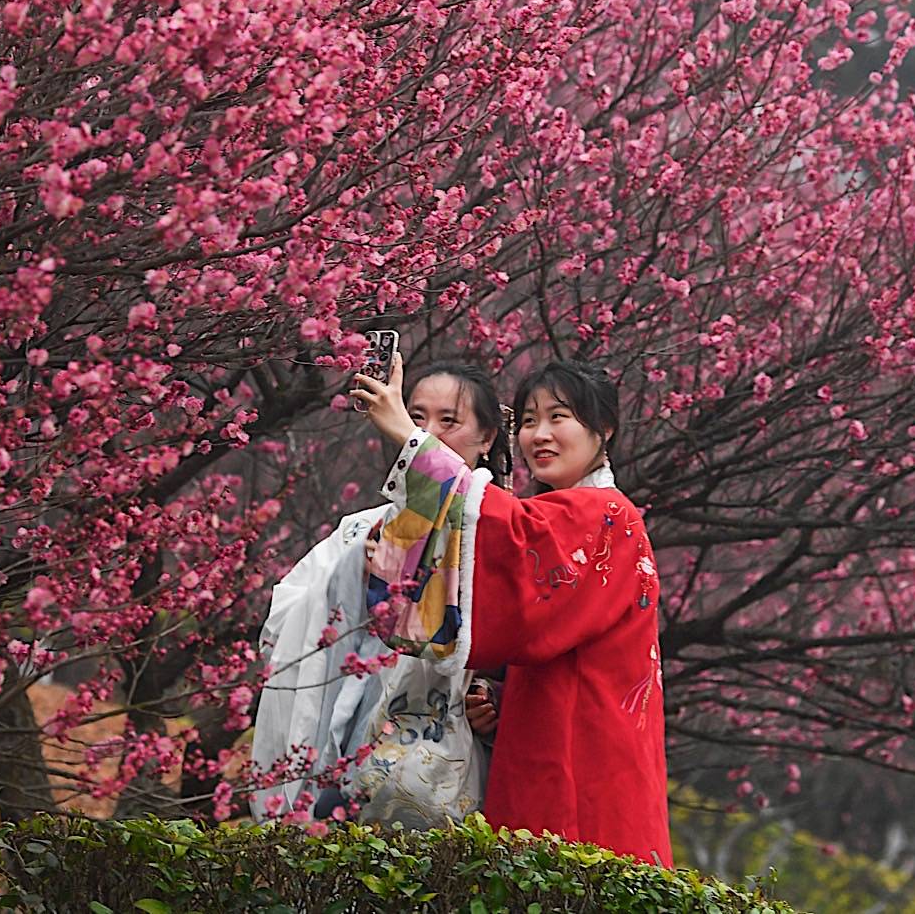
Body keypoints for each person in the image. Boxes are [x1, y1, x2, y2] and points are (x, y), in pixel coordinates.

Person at [348, 353, 671, 866]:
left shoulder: (607, 514)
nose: (539, 434)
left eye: (558, 417)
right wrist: (495, 695)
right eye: (528, 421)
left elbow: (510, 541)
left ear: (604, 428)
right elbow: (535, 626)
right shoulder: (577, 513)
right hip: (557, 735)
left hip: (582, 756)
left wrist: (413, 443)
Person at [250, 360, 512, 822]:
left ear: (487, 437)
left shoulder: (503, 533)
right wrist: (355, 576)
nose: (428, 432)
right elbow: (279, 628)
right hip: (340, 755)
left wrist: (491, 700)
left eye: (448, 421)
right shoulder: (360, 531)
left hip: (439, 774)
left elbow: (518, 653)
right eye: (416, 418)